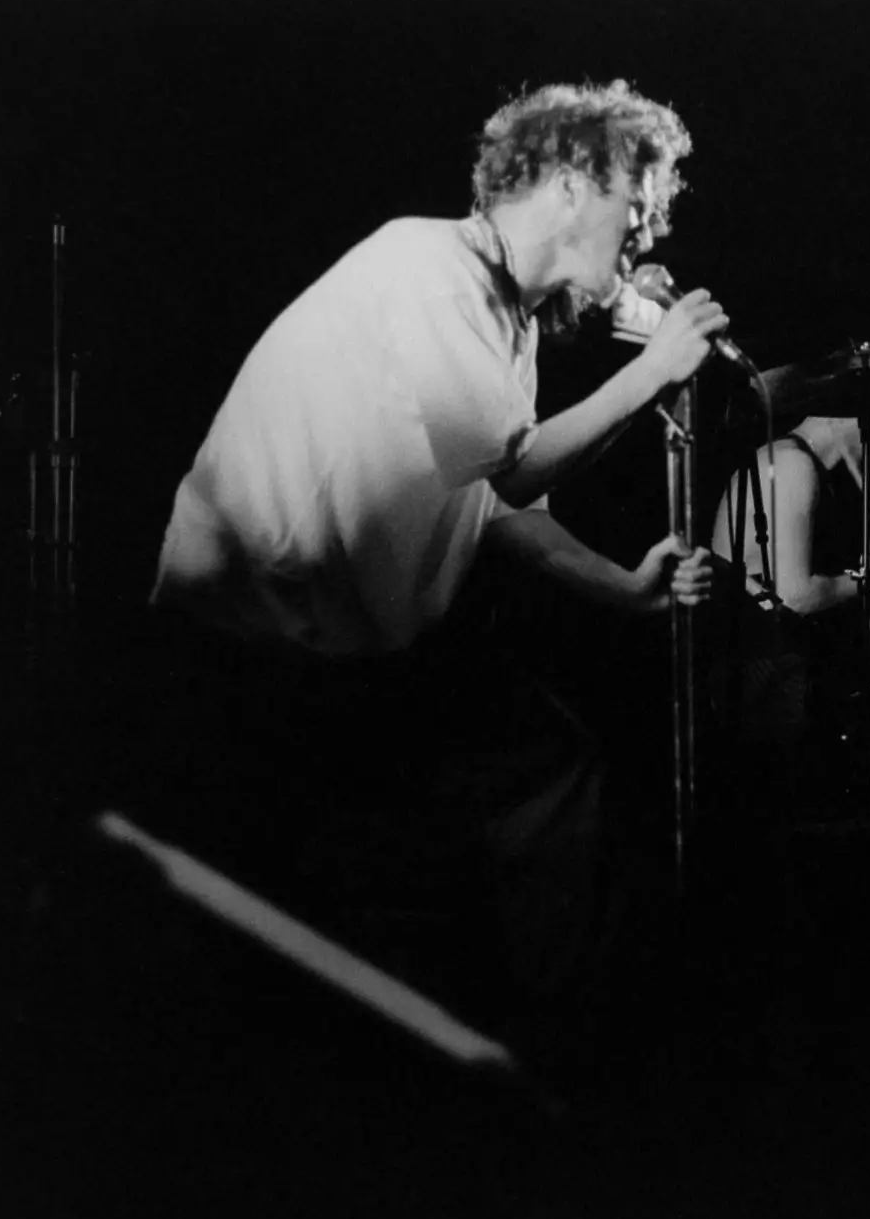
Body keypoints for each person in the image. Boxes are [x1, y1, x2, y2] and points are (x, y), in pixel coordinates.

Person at [146, 80, 733, 1011]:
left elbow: (493, 506)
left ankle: (536, 1056)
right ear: (573, 183)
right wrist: (655, 368)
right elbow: (519, 466)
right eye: (640, 198)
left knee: (541, 771)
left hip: (340, 655)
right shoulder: (425, 268)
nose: (650, 229)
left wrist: (620, 588)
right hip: (246, 649)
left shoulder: (506, 318)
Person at [705, 413, 870, 812]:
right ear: (869, 422)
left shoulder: (793, 462)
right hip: (762, 670)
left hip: (763, 664)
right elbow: (792, 595)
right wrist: (868, 575)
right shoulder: (791, 467)